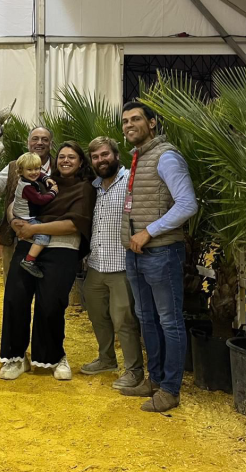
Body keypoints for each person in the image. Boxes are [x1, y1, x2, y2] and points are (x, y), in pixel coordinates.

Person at [118, 101, 197, 412]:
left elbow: (187, 204)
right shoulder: (140, 157)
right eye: (125, 121)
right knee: (147, 318)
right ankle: (156, 379)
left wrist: (148, 231)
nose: (129, 125)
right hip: (138, 253)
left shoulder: (167, 157)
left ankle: (170, 389)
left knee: (169, 321)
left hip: (161, 251)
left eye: (136, 119)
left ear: (152, 123)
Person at [0, 141, 95, 381]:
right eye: (62, 156)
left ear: (81, 161)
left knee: (50, 304)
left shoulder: (84, 188)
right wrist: (14, 222)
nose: (65, 160)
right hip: (29, 244)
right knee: (15, 298)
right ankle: (15, 357)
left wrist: (35, 228)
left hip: (62, 247)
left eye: (71, 157)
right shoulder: (43, 181)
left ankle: (54, 355)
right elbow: (14, 203)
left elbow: (74, 224)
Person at [80, 136, 144, 390]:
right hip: (95, 265)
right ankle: (107, 359)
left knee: (125, 322)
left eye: (105, 155)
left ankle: (134, 371)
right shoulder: (93, 187)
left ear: (116, 156)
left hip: (122, 266)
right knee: (98, 317)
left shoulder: (131, 181)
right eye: (95, 157)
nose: (100, 160)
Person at [0, 127, 55, 281]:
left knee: (48, 294)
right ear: (28, 143)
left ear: (51, 145)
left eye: (44, 139)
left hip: (51, 242)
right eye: (35, 139)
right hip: (15, 238)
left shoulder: (60, 167)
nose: (39, 143)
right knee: (14, 292)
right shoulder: (14, 166)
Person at [12, 152, 58, 278]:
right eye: (30, 169)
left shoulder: (28, 178)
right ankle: (29, 260)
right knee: (43, 237)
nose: (34, 172)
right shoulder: (27, 187)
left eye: (37, 168)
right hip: (26, 218)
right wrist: (53, 192)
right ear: (21, 171)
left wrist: (45, 178)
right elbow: (40, 200)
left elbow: (39, 175)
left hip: (22, 214)